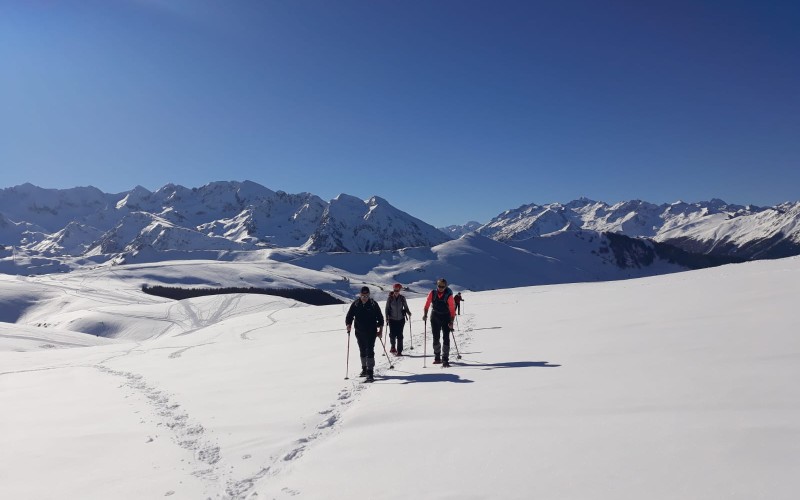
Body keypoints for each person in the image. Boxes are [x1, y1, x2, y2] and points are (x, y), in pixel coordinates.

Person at [346, 286, 384, 382]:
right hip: (359, 332)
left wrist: (380, 330)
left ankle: (370, 372)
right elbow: (349, 316)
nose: (365, 297)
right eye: (363, 295)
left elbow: (380, 318)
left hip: (371, 332)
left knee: (370, 350)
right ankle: (364, 369)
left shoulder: (373, 304)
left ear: (369, 295)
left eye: (366, 295)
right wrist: (348, 324)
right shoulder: (355, 304)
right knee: (362, 350)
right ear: (360, 295)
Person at [422, 278, 456, 367]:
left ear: (446, 286)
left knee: (446, 337)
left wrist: (451, 321)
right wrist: (425, 314)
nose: (440, 288)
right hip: (435, 317)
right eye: (439, 286)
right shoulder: (432, 293)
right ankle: (437, 357)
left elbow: (452, 309)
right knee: (436, 337)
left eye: (442, 286)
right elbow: (427, 304)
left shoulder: (449, 295)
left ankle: (445, 358)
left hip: (446, 317)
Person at [384, 283, 411, 355]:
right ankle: (393, 347)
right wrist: (386, 317)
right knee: (392, 334)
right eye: (395, 290)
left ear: (399, 290)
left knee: (399, 335)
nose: (396, 291)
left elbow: (405, 307)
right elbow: (387, 308)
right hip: (392, 319)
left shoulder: (402, 298)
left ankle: (399, 351)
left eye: (397, 290)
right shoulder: (390, 298)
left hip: (401, 319)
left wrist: (408, 312)